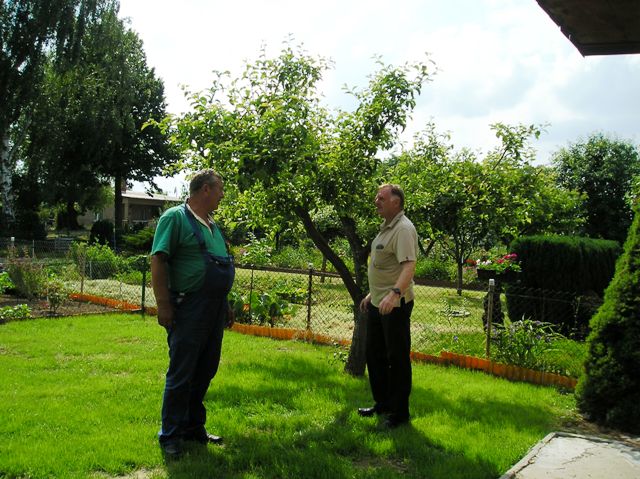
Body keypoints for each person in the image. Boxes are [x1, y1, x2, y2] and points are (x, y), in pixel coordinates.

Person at [150, 169, 235, 458]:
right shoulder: (175, 218)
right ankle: (170, 435)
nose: (223, 195)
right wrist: (163, 304)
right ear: (206, 189)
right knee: (182, 373)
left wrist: (225, 304)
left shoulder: (212, 225)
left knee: (205, 370)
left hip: (214, 309)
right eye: (220, 189)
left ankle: (193, 427)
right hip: (188, 309)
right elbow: (158, 260)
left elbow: (219, 267)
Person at [358, 184, 418, 429]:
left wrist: (394, 294)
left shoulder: (403, 229)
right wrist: (372, 294)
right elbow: (386, 266)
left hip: (395, 305)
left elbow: (408, 266)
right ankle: (382, 403)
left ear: (396, 202)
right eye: (376, 197)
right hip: (378, 302)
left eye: (381, 197)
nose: (376, 201)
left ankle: (400, 414)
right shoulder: (386, 228)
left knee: (397, 358)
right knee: (375, 355)